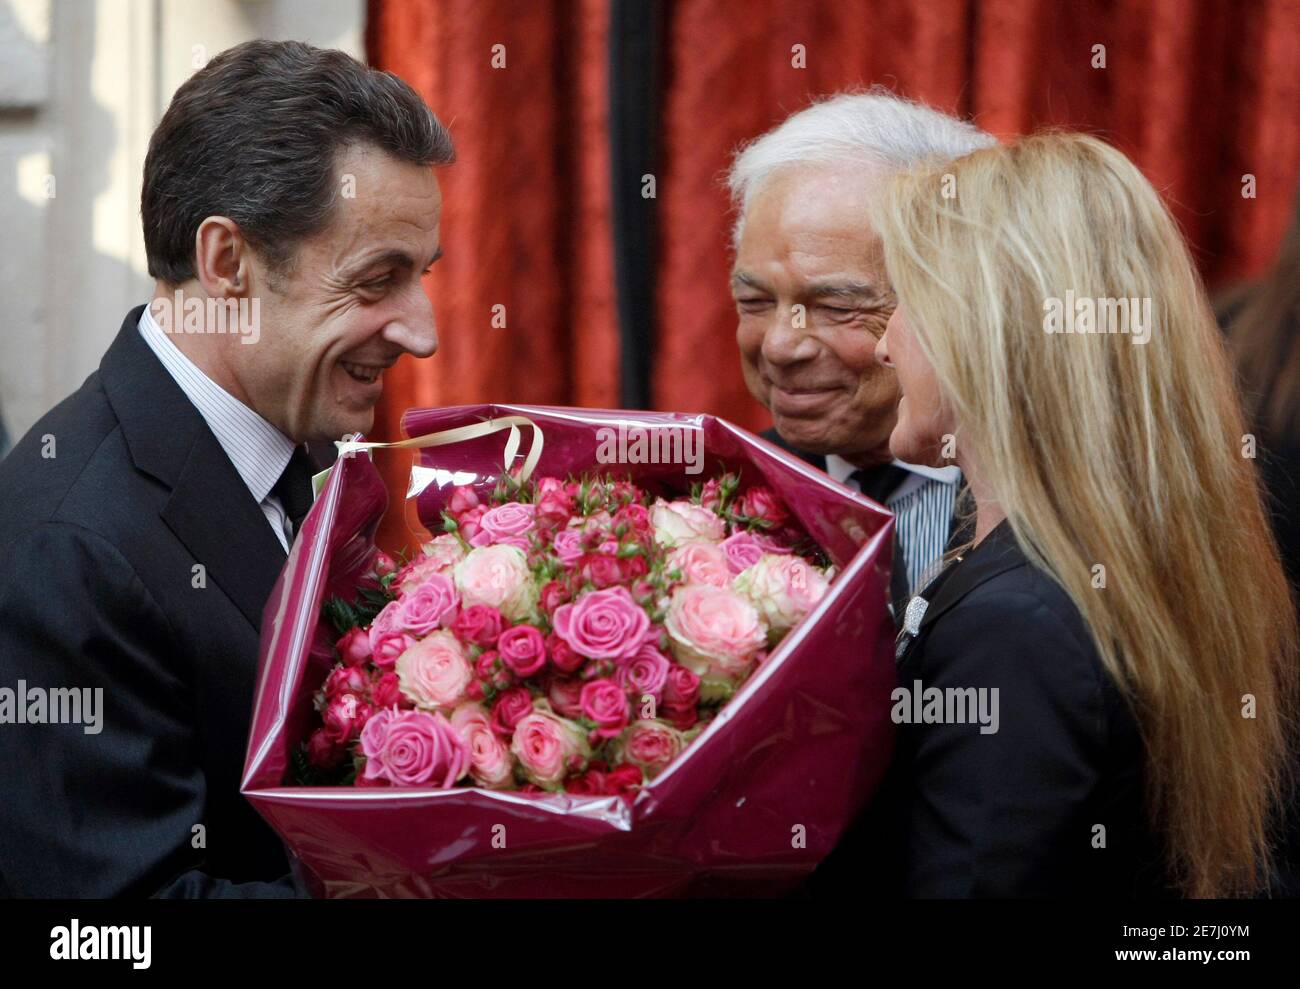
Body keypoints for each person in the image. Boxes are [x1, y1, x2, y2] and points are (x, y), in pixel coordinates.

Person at [0, 40, 453, 897]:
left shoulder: (301, 438)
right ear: (227, 264)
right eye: (375, 280)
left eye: (420, 276)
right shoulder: (71, 552)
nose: (421, 331)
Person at [867, 132, 1297, 896]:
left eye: (905, 299)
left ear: (982, 330)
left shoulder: (1018, 619)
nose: (883, 344)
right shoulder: (1111, 556)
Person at [726, 90, 996, 618]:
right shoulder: (721, 497)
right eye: (754, 301)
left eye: (834, 306)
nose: (780, 346)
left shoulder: (1051, 505)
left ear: (953, 304)